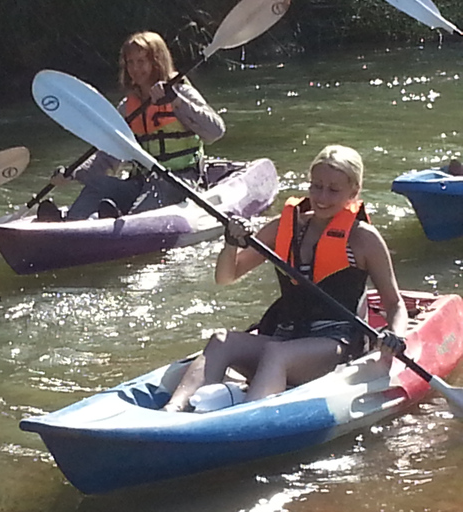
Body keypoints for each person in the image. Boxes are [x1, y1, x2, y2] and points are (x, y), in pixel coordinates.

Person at [162, 145, 408, 412]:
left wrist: (395, 334)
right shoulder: (285, 227)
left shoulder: (364, 238)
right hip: (286, 336)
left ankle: (245, 421)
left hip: (334, 345)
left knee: (276, 354)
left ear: (353, 192)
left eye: (333, 190)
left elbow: (394, 303)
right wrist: (231, 243)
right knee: (223, 340)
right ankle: (172, 412)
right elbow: (226, 277)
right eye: (316, 186)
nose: (322, 196)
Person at [36, 31, 225, 222]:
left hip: (180, 181)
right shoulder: (127, 107)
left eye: (141, 61)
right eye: (130, 62)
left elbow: (215, 131)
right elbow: (107, 157)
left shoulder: (180, 92)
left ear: (157, 62)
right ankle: (72, 222)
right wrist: (72, 174)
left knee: (158, 190)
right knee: (98, 185)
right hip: (141, 182)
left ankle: (118, 223)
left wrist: (177, 101)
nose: (135, 68)